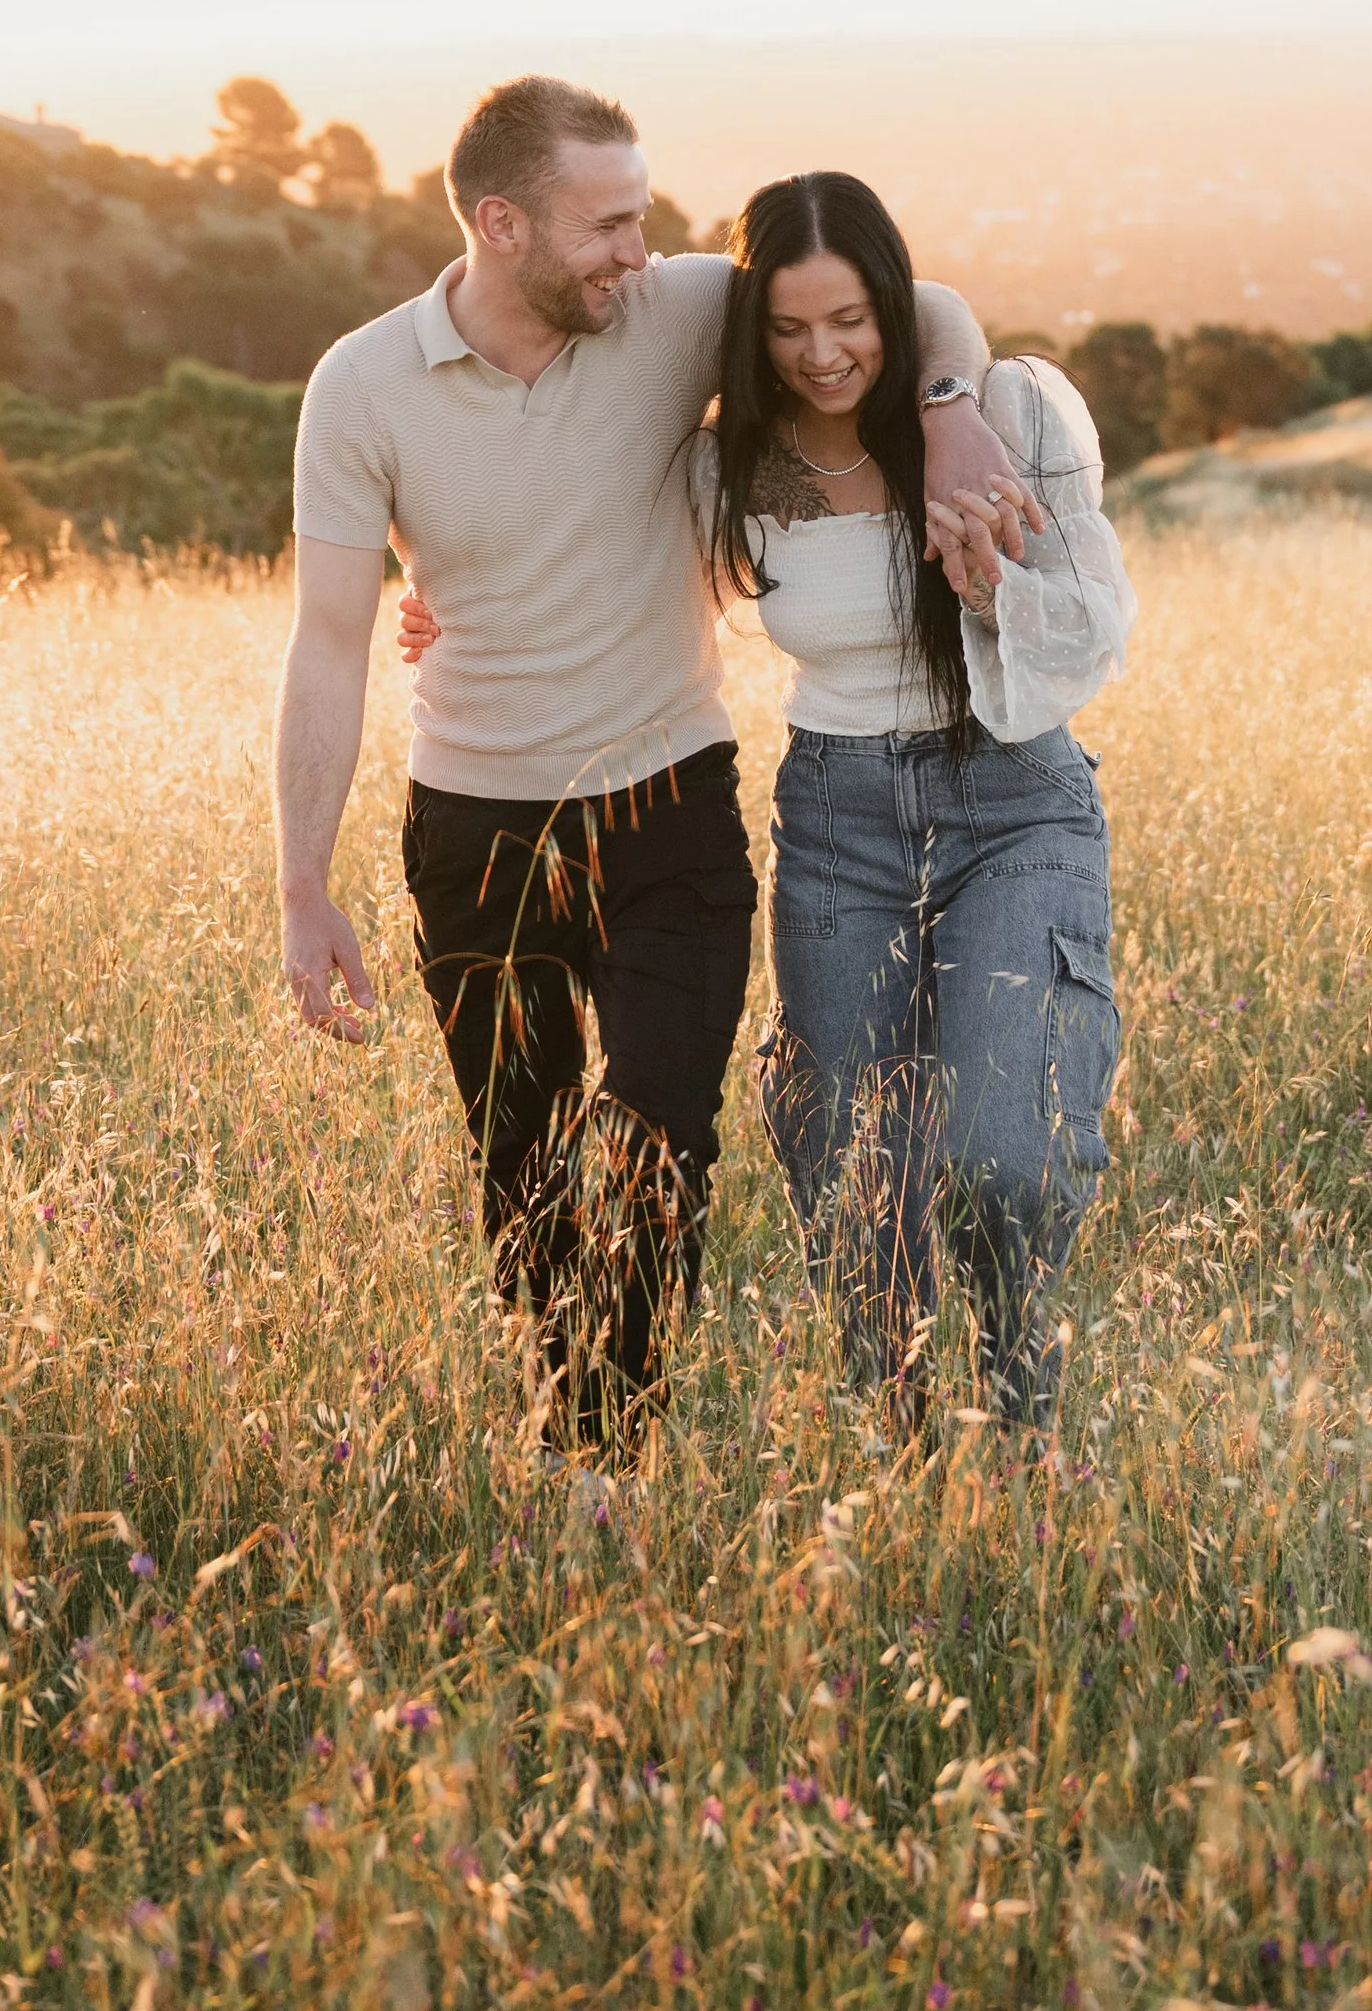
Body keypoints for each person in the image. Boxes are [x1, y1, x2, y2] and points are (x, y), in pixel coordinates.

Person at [275, 79, 1036, 1448]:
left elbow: (910, 301)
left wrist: (949, 406)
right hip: (475, 827)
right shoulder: (362, 386)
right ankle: (575, 1423)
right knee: (519, 1168)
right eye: (612, 224)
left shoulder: (673, 308)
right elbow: (328, 641)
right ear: (501, 225)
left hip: (668, 810)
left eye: (644, 218)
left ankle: (605, 1455)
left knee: (659, 1143)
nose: (645, 248)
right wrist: (301, 882)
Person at [404, 167, 1137, 1439]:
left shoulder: (1005, 409)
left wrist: (985, 576)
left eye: (850, 320)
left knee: (999, 1157)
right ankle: (904, 1445)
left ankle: (1023, 1418)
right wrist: (459, 612)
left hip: (1013, 802)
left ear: (892, 307)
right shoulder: (728, 465)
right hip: (835, 815)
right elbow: (592, 560)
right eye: (789, 329)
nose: (823, 354)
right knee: (851, 1167)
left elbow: (1092, 639)